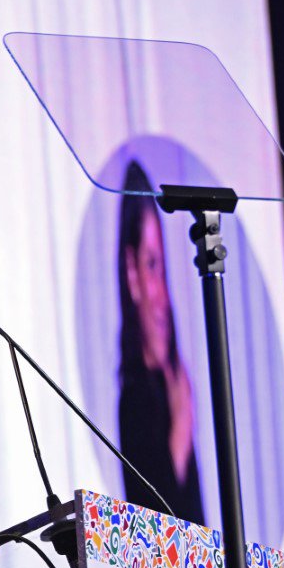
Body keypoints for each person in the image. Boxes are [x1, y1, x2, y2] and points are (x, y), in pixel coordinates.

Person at [116, 160, 202, 523]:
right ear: (131, 271)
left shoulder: (169, 380)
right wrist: (182, 419)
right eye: (151, 265)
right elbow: (166, 520)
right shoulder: (136, 398)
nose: (164, 295)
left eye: (163, 267)